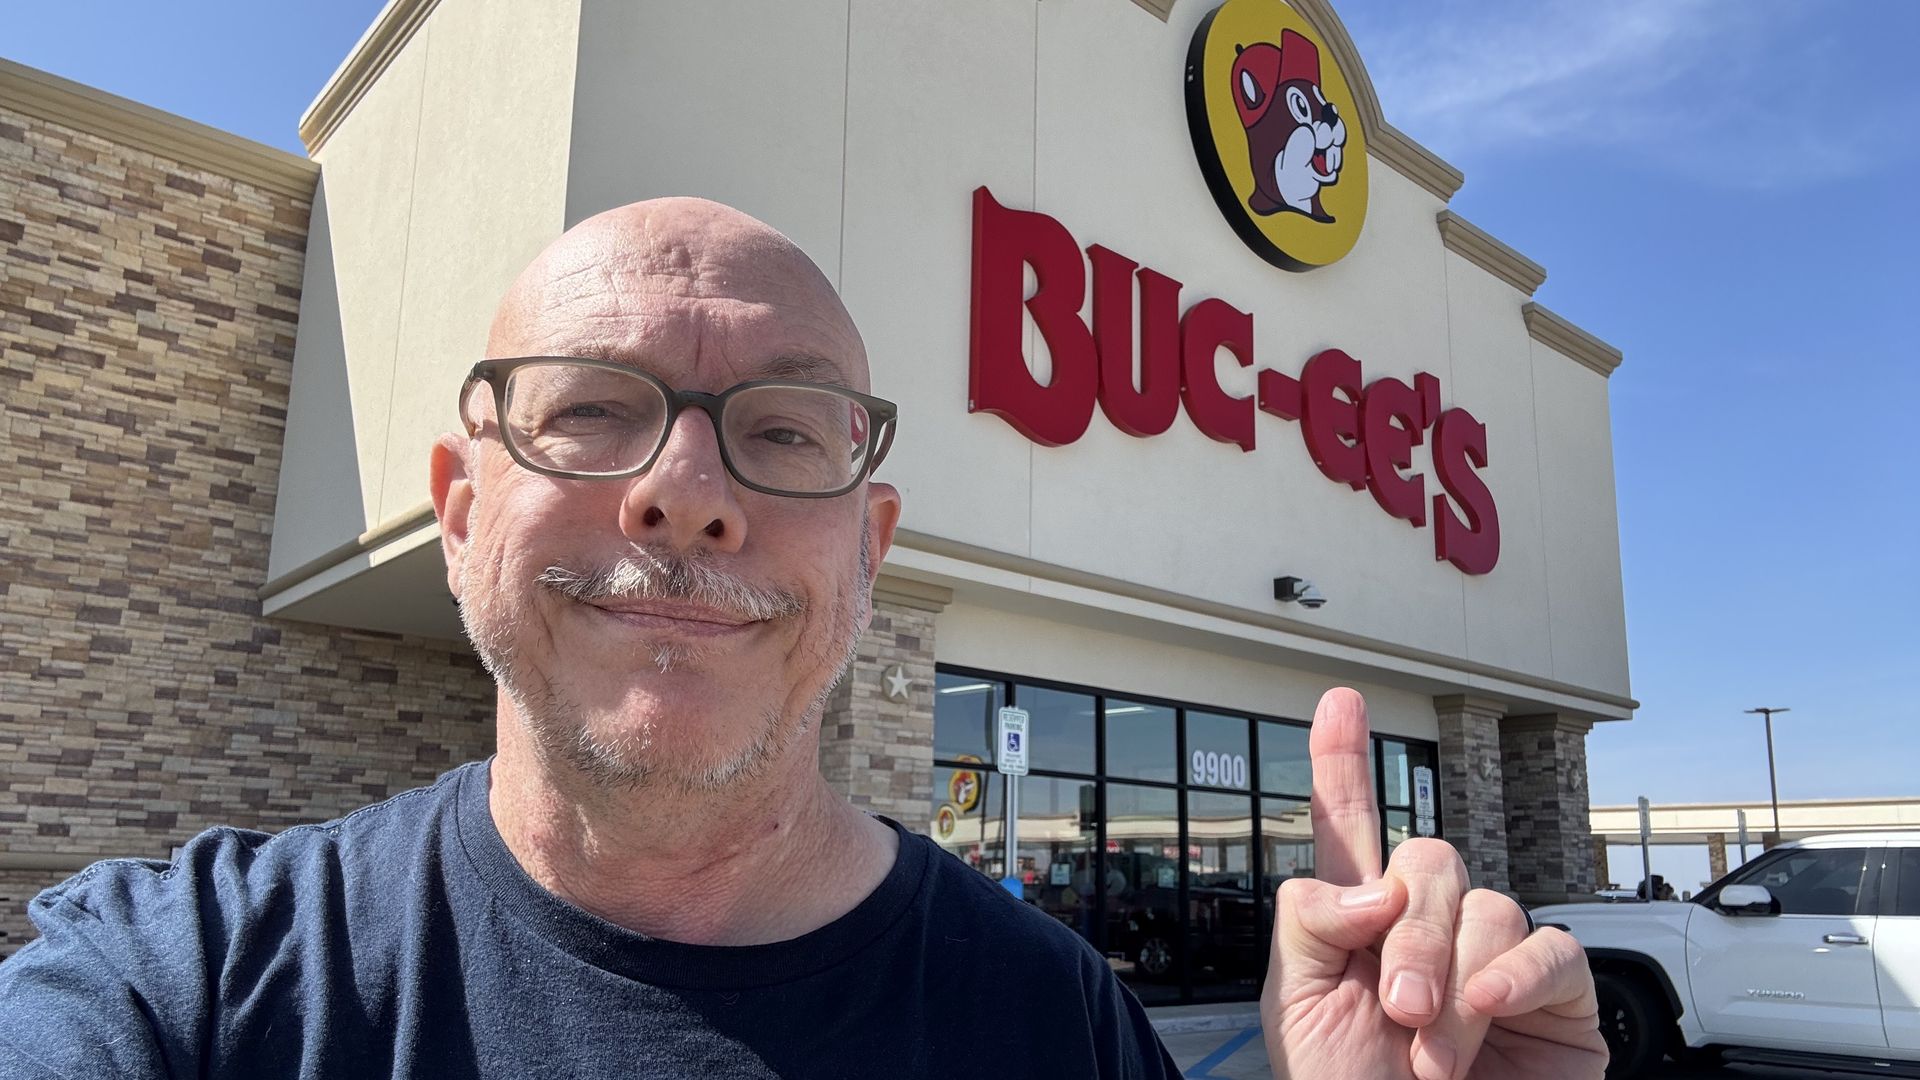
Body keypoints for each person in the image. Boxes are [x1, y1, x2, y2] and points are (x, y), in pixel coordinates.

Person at [0, 199, 1606, 1079]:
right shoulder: (189, 986)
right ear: (461, 507)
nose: (686, 497)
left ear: (870, 543)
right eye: (594, 413)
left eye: (780, 433)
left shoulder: (1053, 1025)